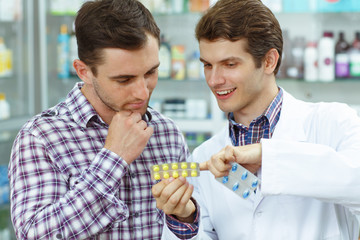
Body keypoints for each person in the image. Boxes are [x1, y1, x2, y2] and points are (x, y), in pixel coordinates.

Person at [8, 0, 198, 239]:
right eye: (124, 79)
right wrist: (114, 157)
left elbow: (193, 227)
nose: (143, 92)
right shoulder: (41, 137)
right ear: (84, 71)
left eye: (150, 72)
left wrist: (185, 216)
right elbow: (35, 235)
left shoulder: (166, 132)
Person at [172, 0, 360, 239]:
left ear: (269, 61)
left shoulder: (332, 123)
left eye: (230, 64)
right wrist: (186, 219)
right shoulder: (204, 156)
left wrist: (268, 156)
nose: (214, 80)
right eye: (208, 65)